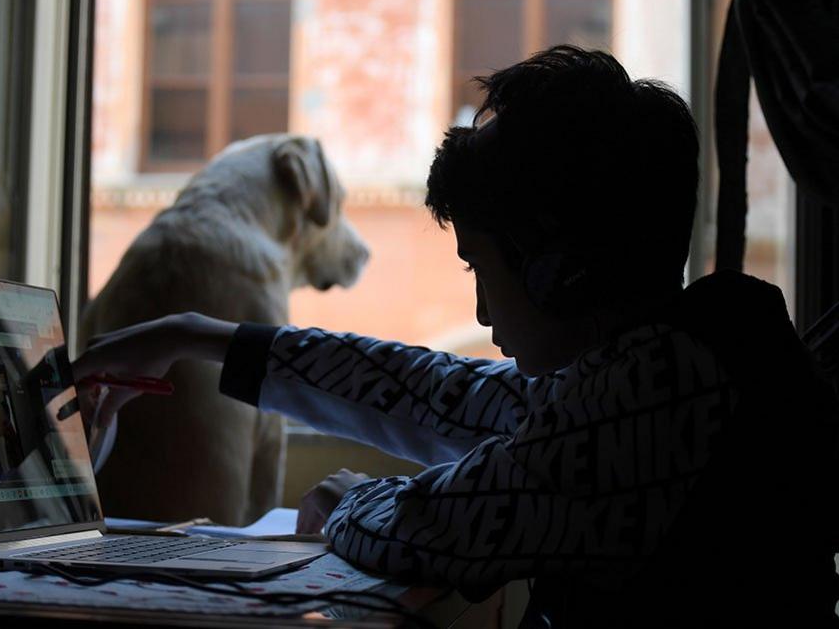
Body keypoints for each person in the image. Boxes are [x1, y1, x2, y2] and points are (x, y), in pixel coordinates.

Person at [74, 46, 839, 628]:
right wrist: (197, 336)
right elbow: (442, 393)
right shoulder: (659, 362)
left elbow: (437, 527)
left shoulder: (657, 390)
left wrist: (350, 499)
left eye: (481, 266)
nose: (480, 312)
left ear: (555, 267)